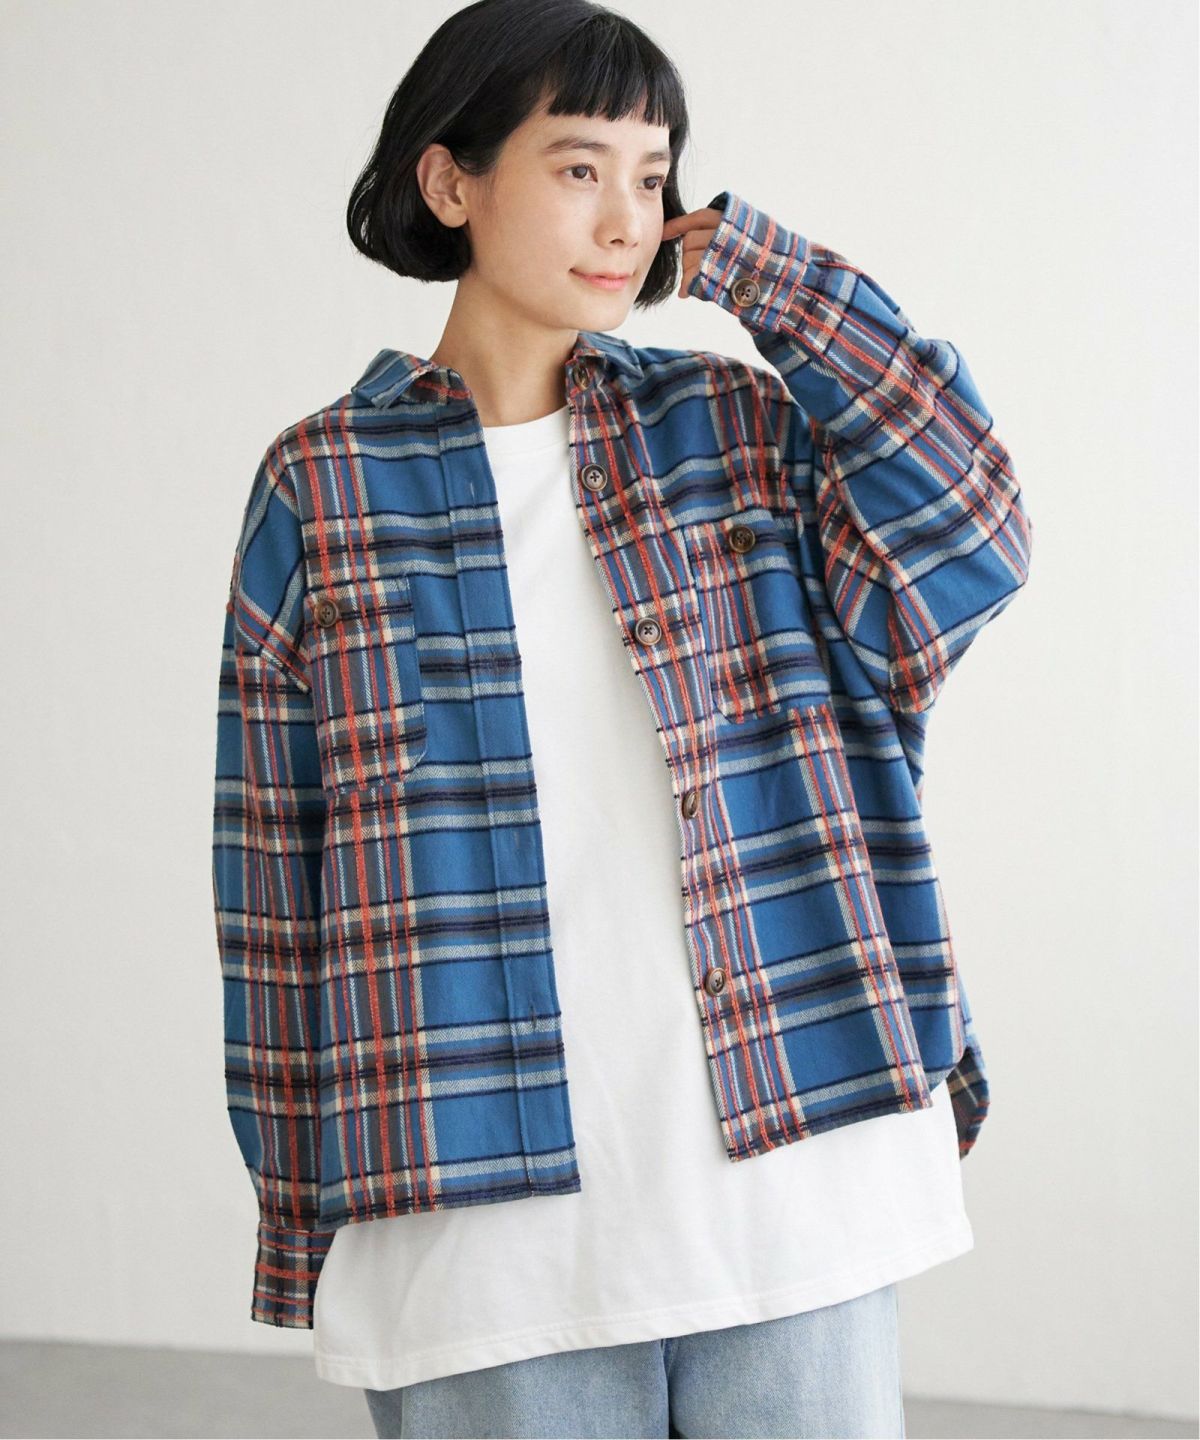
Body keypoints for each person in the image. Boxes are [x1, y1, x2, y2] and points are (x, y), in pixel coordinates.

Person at [211, 1, 1033, 1436]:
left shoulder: (732, 431)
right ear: (450, 181)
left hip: (794, 1183)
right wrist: (303, 1217)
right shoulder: (322, 488)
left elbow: (972, 526)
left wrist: (765, 274)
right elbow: (275, 886)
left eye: (650, 179)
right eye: (579, 167)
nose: (624, 220)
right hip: (480, 1235)